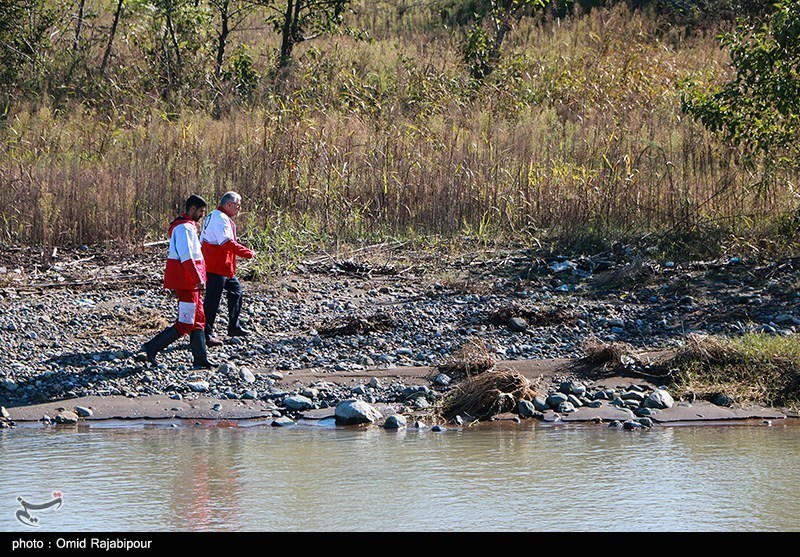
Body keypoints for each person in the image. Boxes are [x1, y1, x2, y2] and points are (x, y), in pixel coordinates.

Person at [141, 194, 216, 369]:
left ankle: (201, 360)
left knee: (198, 319)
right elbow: (186, 257)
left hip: (189, 282)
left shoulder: (187, 226)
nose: (202, 216)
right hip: (187, 282)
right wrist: (198, 279)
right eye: (201, 212)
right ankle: (151, 347)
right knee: (186, 322)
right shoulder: (184, 229)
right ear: (192, 209)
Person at [200, 191, 255, 347]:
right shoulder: (220, 219)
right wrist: (247, 253)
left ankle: (233, 326)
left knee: (236, 291)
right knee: (212, 301)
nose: (239, 208)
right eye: (237, 205)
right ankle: (206, 334)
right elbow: (226, 243)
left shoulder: (214, 215)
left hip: (223, 266)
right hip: (217, 265)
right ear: (229, 205)